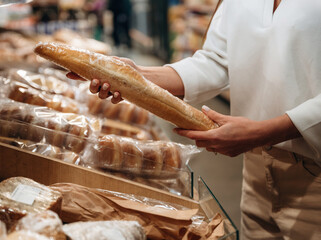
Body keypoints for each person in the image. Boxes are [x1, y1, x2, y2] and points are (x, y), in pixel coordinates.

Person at [67, 0, 321, 239]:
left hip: (313, 178)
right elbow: (216, 61)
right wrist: (137, 76)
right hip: (256, 169)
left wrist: (268, 131)